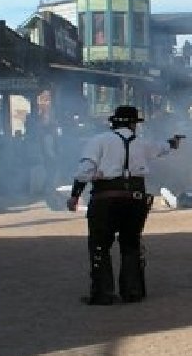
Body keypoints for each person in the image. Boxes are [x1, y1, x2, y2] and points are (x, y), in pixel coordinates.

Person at [67, 105, 183, 306]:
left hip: (105, 199)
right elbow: (162, 147)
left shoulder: (98, 141)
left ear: (113, 123)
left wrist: (75, 195)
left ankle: (103, 293)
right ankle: (132, 291)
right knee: (131, 243)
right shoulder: (142, 143)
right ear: (133, 124)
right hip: (136, 199)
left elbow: (85, 169)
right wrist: (173, 143)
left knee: (100, 245)